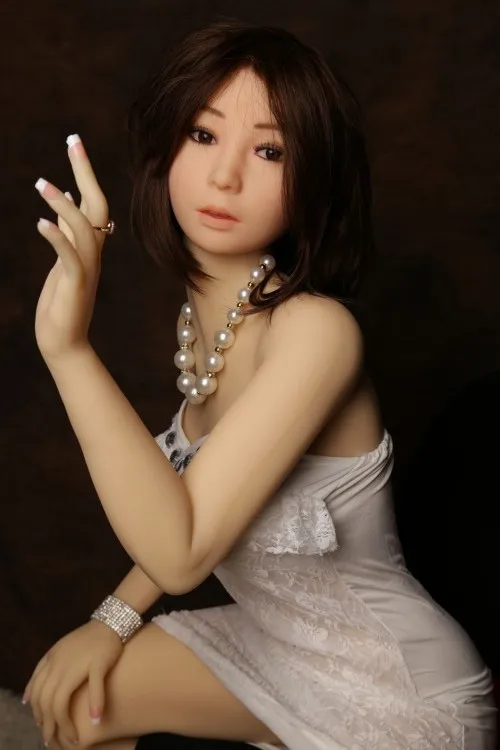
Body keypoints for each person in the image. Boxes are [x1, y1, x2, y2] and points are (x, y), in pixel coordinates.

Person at [23, 18, 497, 750]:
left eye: (270, 151)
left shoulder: (316, 332)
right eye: (203, 134)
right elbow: (192, 499)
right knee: (79, 703)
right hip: (277, 649)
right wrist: (110, 619)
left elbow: (183, 549)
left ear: (313, 180)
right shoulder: (205, 325)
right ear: (166, 145)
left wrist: (69, 350)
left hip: (400, 693)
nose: (225, 176)